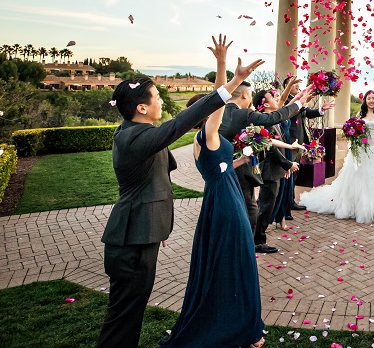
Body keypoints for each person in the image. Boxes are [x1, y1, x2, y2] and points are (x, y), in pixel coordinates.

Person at [97, 38, 263, 348]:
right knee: (123, 315)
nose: (162, 102)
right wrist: (235, 80)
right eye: (158, 97)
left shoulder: (133, 132)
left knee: (129, 313)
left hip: (139, 234)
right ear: (142, 107)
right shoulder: (137, 137)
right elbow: (184, 121)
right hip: (132, 238)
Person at [160, 35, 266, 348]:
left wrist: (242, 159)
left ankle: (237, 324)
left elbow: (219, 169)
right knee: (237, 263)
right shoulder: (208, 135)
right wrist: (228, 72)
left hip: (221, 197)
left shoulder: (207, 142)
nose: (219, 113)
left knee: (225, 263)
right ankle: (242, 330)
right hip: (227, 205)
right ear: (205, 116)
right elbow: (218, 100)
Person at [219, 81, 314, 254]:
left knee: (243, 208)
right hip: (240, 170)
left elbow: (266, 138)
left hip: (225, 170)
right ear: (244, 95)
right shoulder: (244, 114)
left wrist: (290, 147)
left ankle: (240, 243)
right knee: (251, 209)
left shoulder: (221, 113)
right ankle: (246, 246)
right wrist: (299, 103)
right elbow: (273, 118)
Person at [299, 88, 374, 223]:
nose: (371, 100)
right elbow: (353, 130)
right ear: (365, 101)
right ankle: (359, 206)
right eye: (369, 98)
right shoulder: (360, 115)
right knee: (362, 180)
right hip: (363, 150)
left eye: (373, 98)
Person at [250, 87, 302, 245]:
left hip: (276, 169)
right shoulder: (264, 124)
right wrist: (287, 164)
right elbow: (271, 149)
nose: (276, 100)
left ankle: (257, 238)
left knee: (266, 205)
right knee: (265, 206)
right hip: (269, 170)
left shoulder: (273, 120)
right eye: (272, 98)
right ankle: (258, 241)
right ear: (265, 104)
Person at [278, 75, 330, 216]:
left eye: (297, 84)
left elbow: (307, 113)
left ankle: (290, 202)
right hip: (290, 142)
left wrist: (321, 110)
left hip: (299, 143)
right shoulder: (286, 103)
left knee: (294, 174)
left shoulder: (300, 103)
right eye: (293, 84)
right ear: (286, 86)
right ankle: (285, 206)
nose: (297, 86)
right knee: (288, 174)